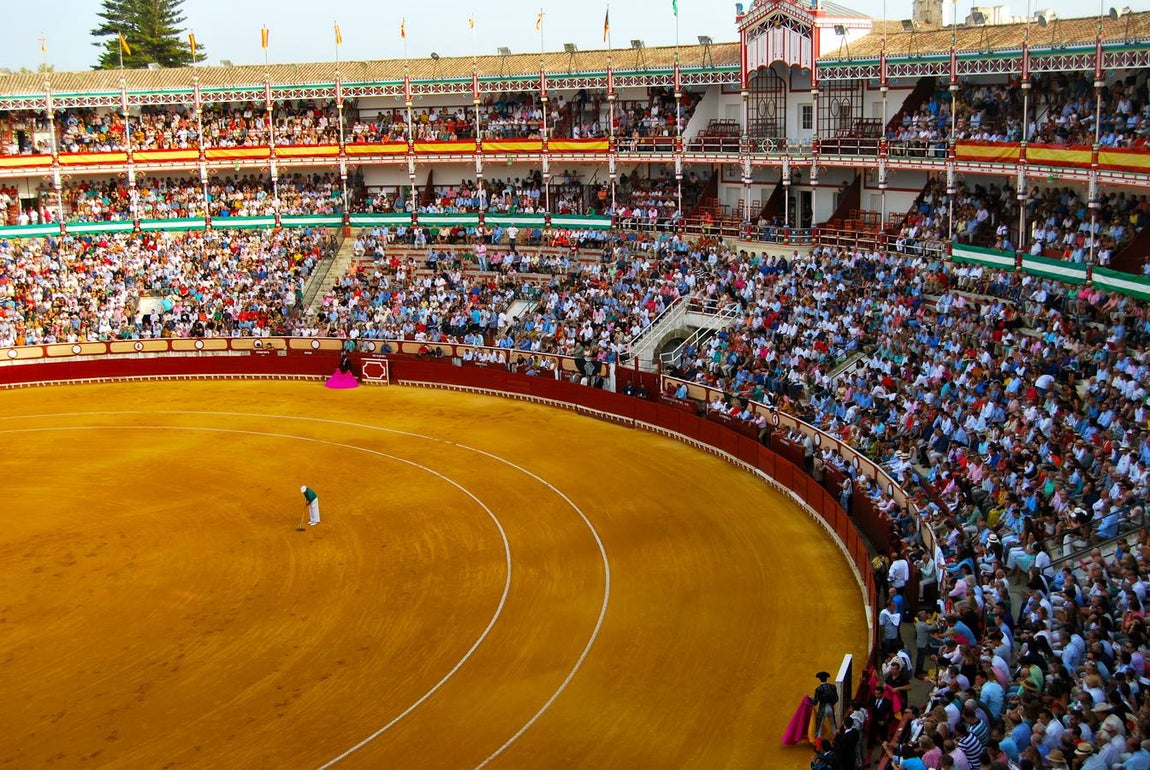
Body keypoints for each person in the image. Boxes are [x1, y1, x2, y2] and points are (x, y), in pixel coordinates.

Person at [814, 670, 839, 750]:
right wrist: (831, 704)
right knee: (833, 725)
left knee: (819, 728)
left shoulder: (818, 689)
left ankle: (818, 748)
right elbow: (836, 699)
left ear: (819, 679)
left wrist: (809, 699)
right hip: (830, 708)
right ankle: (837, 743)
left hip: (823, 709)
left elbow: (815, 702)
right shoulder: (832, 687)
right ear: (826, 678)